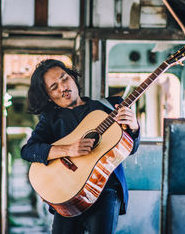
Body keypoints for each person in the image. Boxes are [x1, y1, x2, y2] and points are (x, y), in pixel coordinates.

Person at [21, 59, 140, 234]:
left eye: (65, 78)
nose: (63, 87)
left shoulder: (109, 107)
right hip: (67, 193)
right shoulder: (50, 119)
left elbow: (130, 148)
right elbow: (28, 151)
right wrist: (69, 149)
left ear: (73, 78)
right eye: (54, 87)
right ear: (48, 96)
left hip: (106, 189)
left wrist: (134, 127)